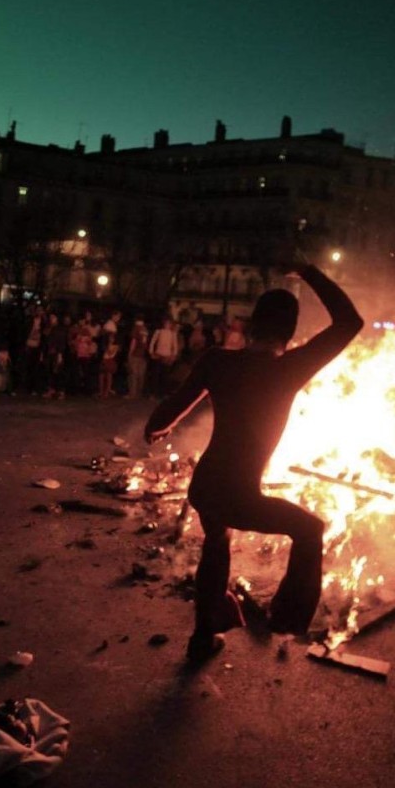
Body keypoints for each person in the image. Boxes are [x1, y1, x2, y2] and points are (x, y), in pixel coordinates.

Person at [144, 263, 363, 663]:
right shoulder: (289, 368)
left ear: (251, 326)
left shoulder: (217, 361)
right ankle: (285, 618)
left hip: (205, 485)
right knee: (310, 529)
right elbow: (350, 322)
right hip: (239, 495)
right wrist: (310, 273)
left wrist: (157, 426)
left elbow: (175, 405)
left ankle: (203, 636)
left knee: (216, 544)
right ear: (290, 333)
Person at [148, 317, 180, 397]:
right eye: (166, 323)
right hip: (158, 354)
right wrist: (151, 352)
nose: (167, 325)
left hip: (167, 356)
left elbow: (175, 345)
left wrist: (174, 355)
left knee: (165, 375)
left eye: (169, 323)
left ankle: (162, 393)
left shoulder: (172, 334)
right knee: (155, 375)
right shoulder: (158, 332)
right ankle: (153, 393)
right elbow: (152, 342)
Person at [127, 317, 149, 398]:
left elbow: (134, 341)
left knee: (133, 374)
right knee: (141, 374)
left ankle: (132, 393)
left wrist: (130, 353)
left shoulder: (136, 328)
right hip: (143, 354)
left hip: (135, 354)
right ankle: (139, 393)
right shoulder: (145, 329)